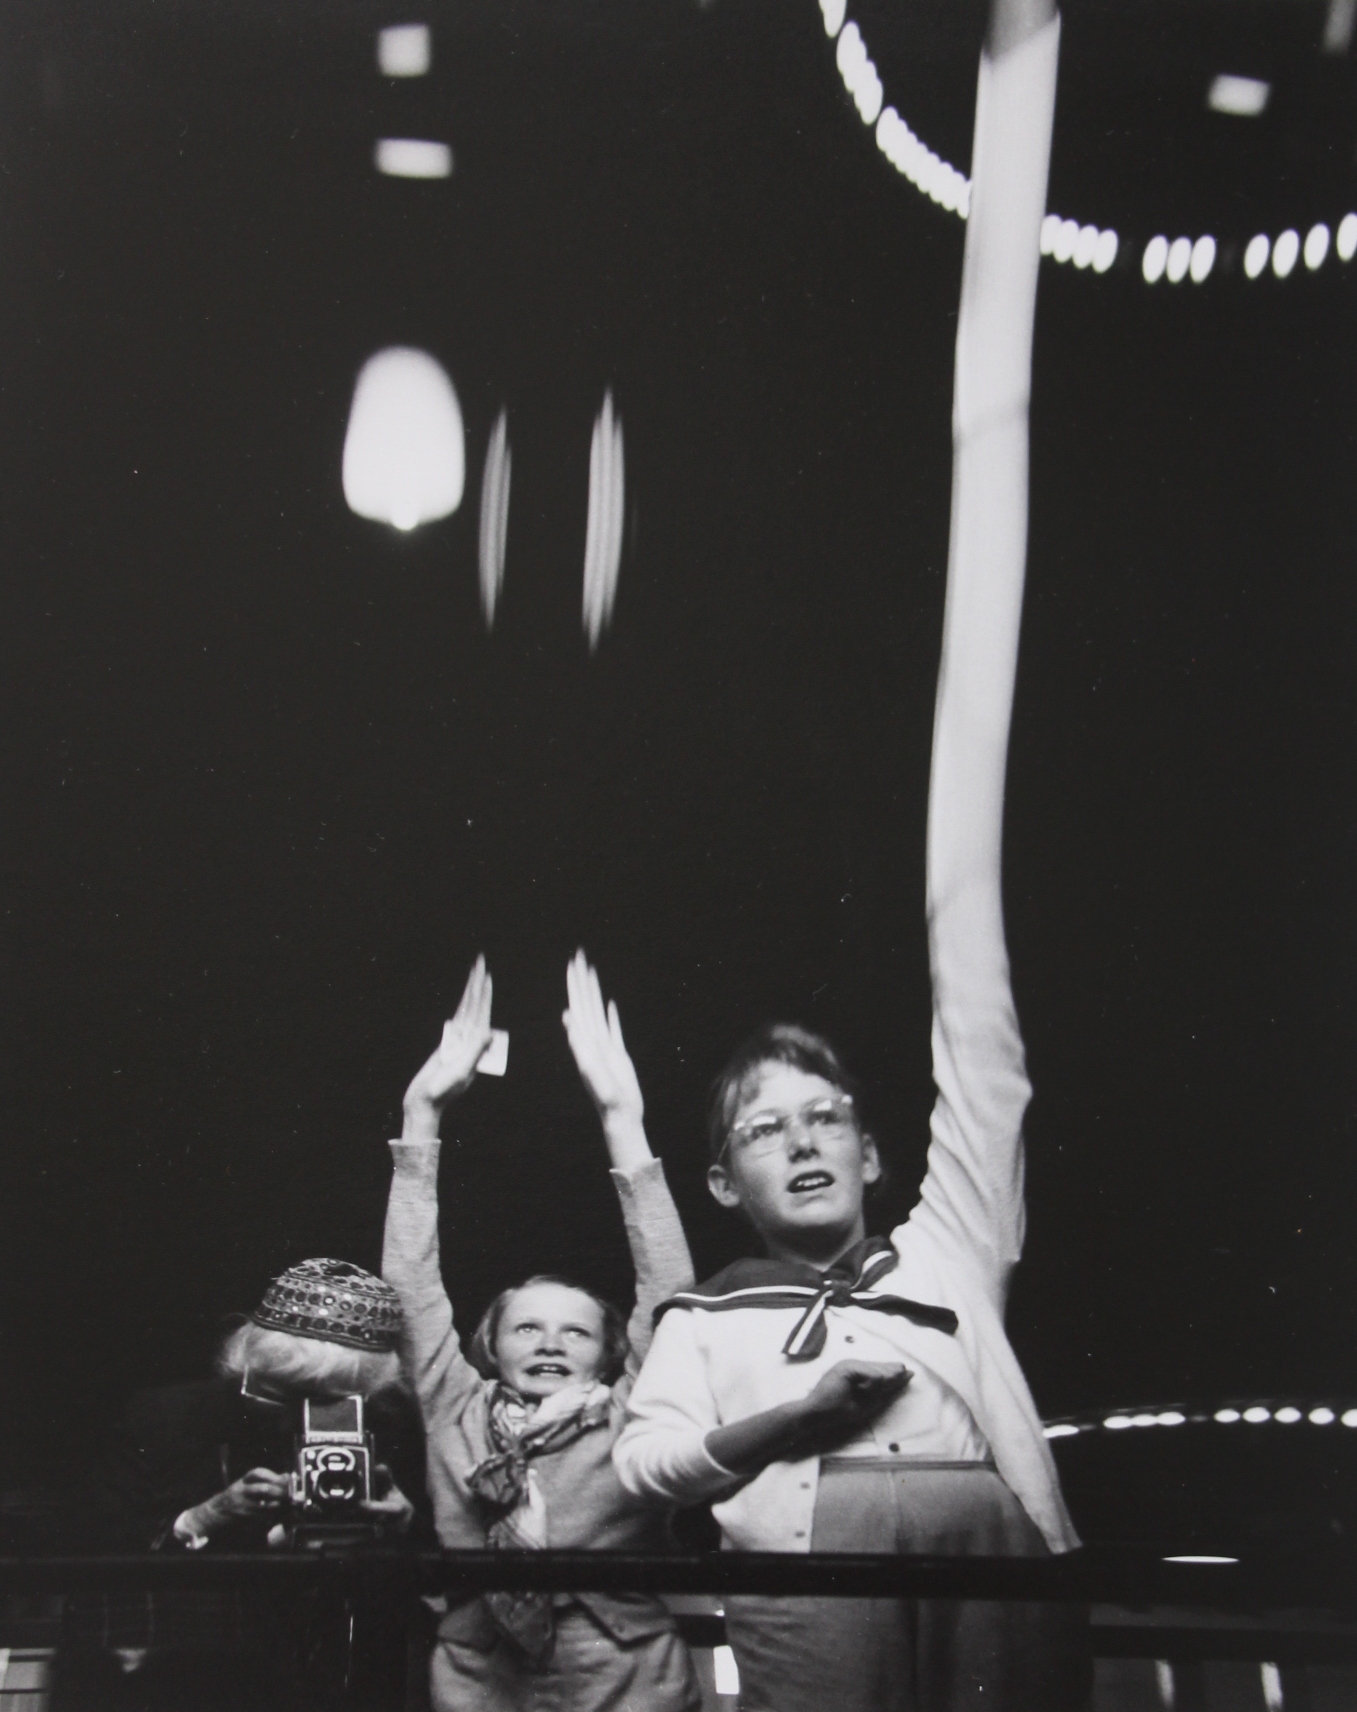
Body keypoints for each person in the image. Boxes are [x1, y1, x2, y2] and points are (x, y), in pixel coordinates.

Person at [612, 7, 1090, 1703]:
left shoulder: (954, 1239)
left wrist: (964, 846)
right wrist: (799, 1412)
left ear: (876, 1147)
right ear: (723, 1177)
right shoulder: (698, 1322)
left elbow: (985, 1043)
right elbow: (657, 1468)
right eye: (766, 1126)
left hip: (1000, 1606)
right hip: (812, 1611)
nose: (802, 1139)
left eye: (822, 1115)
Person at [382, 950, 703, 1712]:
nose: (550, 1342)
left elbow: (669, 1294)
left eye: (575, 1332)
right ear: (489, 1347)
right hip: (477, 1670)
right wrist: (420, 1116)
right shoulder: (454, 1407)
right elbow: (412, 1288)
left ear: (610, 1351)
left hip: (626, 1670)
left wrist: (621, 1120)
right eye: (526, 1327)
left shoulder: (632, 1411)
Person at [57, 1260, 422, 1711]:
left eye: (326, 1400)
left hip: (317, 1668)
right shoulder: (162, 1419)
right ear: (247, 1362)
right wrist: (206, 1516)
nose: (299, 1414)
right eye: (278, 1392)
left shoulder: (382, 1430)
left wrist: (402, 1528)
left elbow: (430, 1580)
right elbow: (87, 1546)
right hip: (175, 1674)